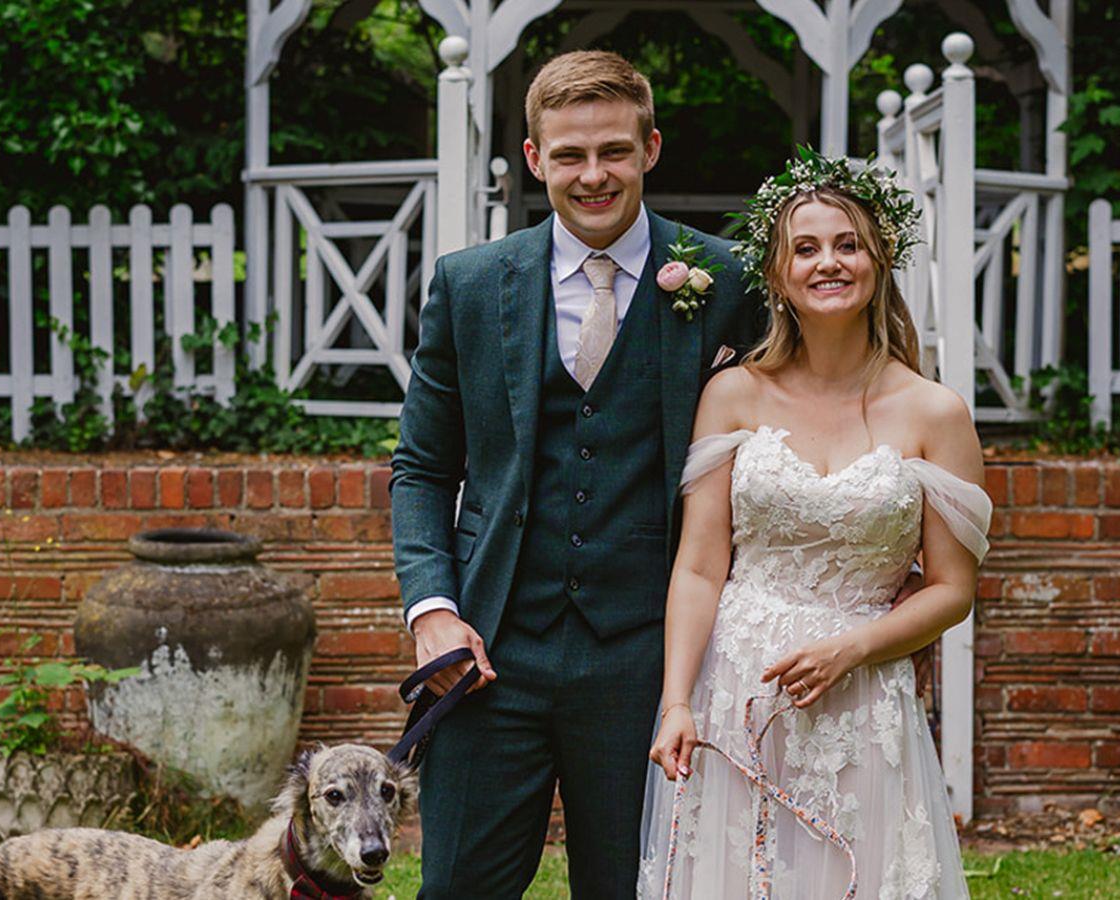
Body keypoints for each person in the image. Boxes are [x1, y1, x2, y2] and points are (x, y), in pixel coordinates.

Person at [388, 51, 760, 897]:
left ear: (651, 148)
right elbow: (420, 469)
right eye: (569, 156)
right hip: (489, 653)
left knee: (637, 888)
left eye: (614, 152)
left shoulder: (728, 280)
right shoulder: (471, 285)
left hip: (649, 658)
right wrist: (433, 612)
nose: (593, 176)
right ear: (534, 160)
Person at [637, 151, 992, 899]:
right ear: (777, 273)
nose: (827, 262)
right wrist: (676, 702)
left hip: (862, 701)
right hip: (734, 692)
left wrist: (856, 647)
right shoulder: (733, 394)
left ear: (879, 260)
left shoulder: (936, 413)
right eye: (805, 248)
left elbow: (954, 589)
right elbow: (700, 568)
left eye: (847, 244)